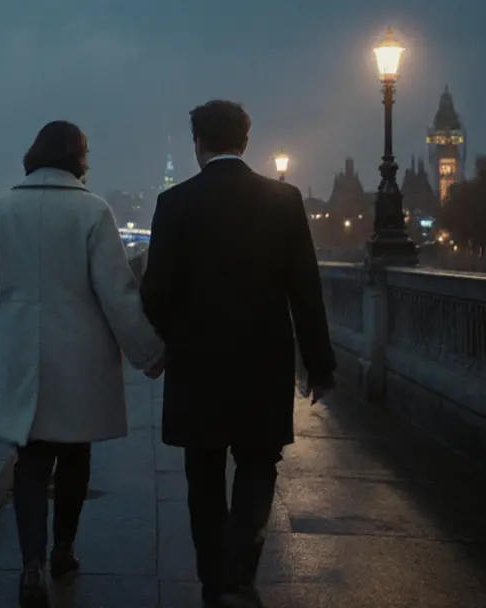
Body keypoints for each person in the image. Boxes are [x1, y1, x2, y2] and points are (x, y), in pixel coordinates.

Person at [140, 100, 336, 608]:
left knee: (202, 474)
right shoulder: (284, 200)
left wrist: (158, 343)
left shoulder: (174, 203)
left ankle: (213, 580)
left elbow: (156, 291)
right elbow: (305, 290)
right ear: (245, 141)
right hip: (263, 361)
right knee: (257, 465)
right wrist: (319, 364)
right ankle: (238, 575)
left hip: (196, 363)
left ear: (197, 143)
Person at [0, 120, 160, 608]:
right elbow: (117, 294)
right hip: (80, 354)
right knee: (75, 456)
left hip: (22, 353)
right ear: (78, 157)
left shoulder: (1, 210)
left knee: (31, 461)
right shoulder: (93, 211)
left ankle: (30, 564)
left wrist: (3, 342)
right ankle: (63, 550)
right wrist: (149, 353)